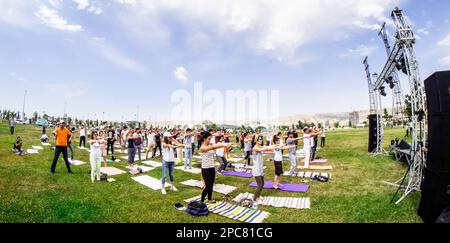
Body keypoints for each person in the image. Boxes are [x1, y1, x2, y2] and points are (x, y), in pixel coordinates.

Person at [199, 132, 230, 203]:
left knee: (211, 185)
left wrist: (225, 146)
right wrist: (222, 144)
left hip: (212, 167)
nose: (209, 140)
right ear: (204, 139)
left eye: (210, 139)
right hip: (205, 168)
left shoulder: (210, 145)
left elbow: (215, 146)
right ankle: (202, 201)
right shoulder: (202, 147)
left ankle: (209, 199)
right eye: (208, 139)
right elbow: (213, 147)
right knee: (208, 186)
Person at [252, 136, 274, 207]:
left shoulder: (260, 147)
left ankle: (257, 196)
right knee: (260, 184)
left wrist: (277, 145)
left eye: (261, 139)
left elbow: (266, 147)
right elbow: (266, 148)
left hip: (260, 168)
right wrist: (274, 147)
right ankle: (255, 199)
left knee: (262, 183)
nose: (261, 141)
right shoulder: (255, 148)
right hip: (256, 169)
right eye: (260, 140)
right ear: (256, 141)